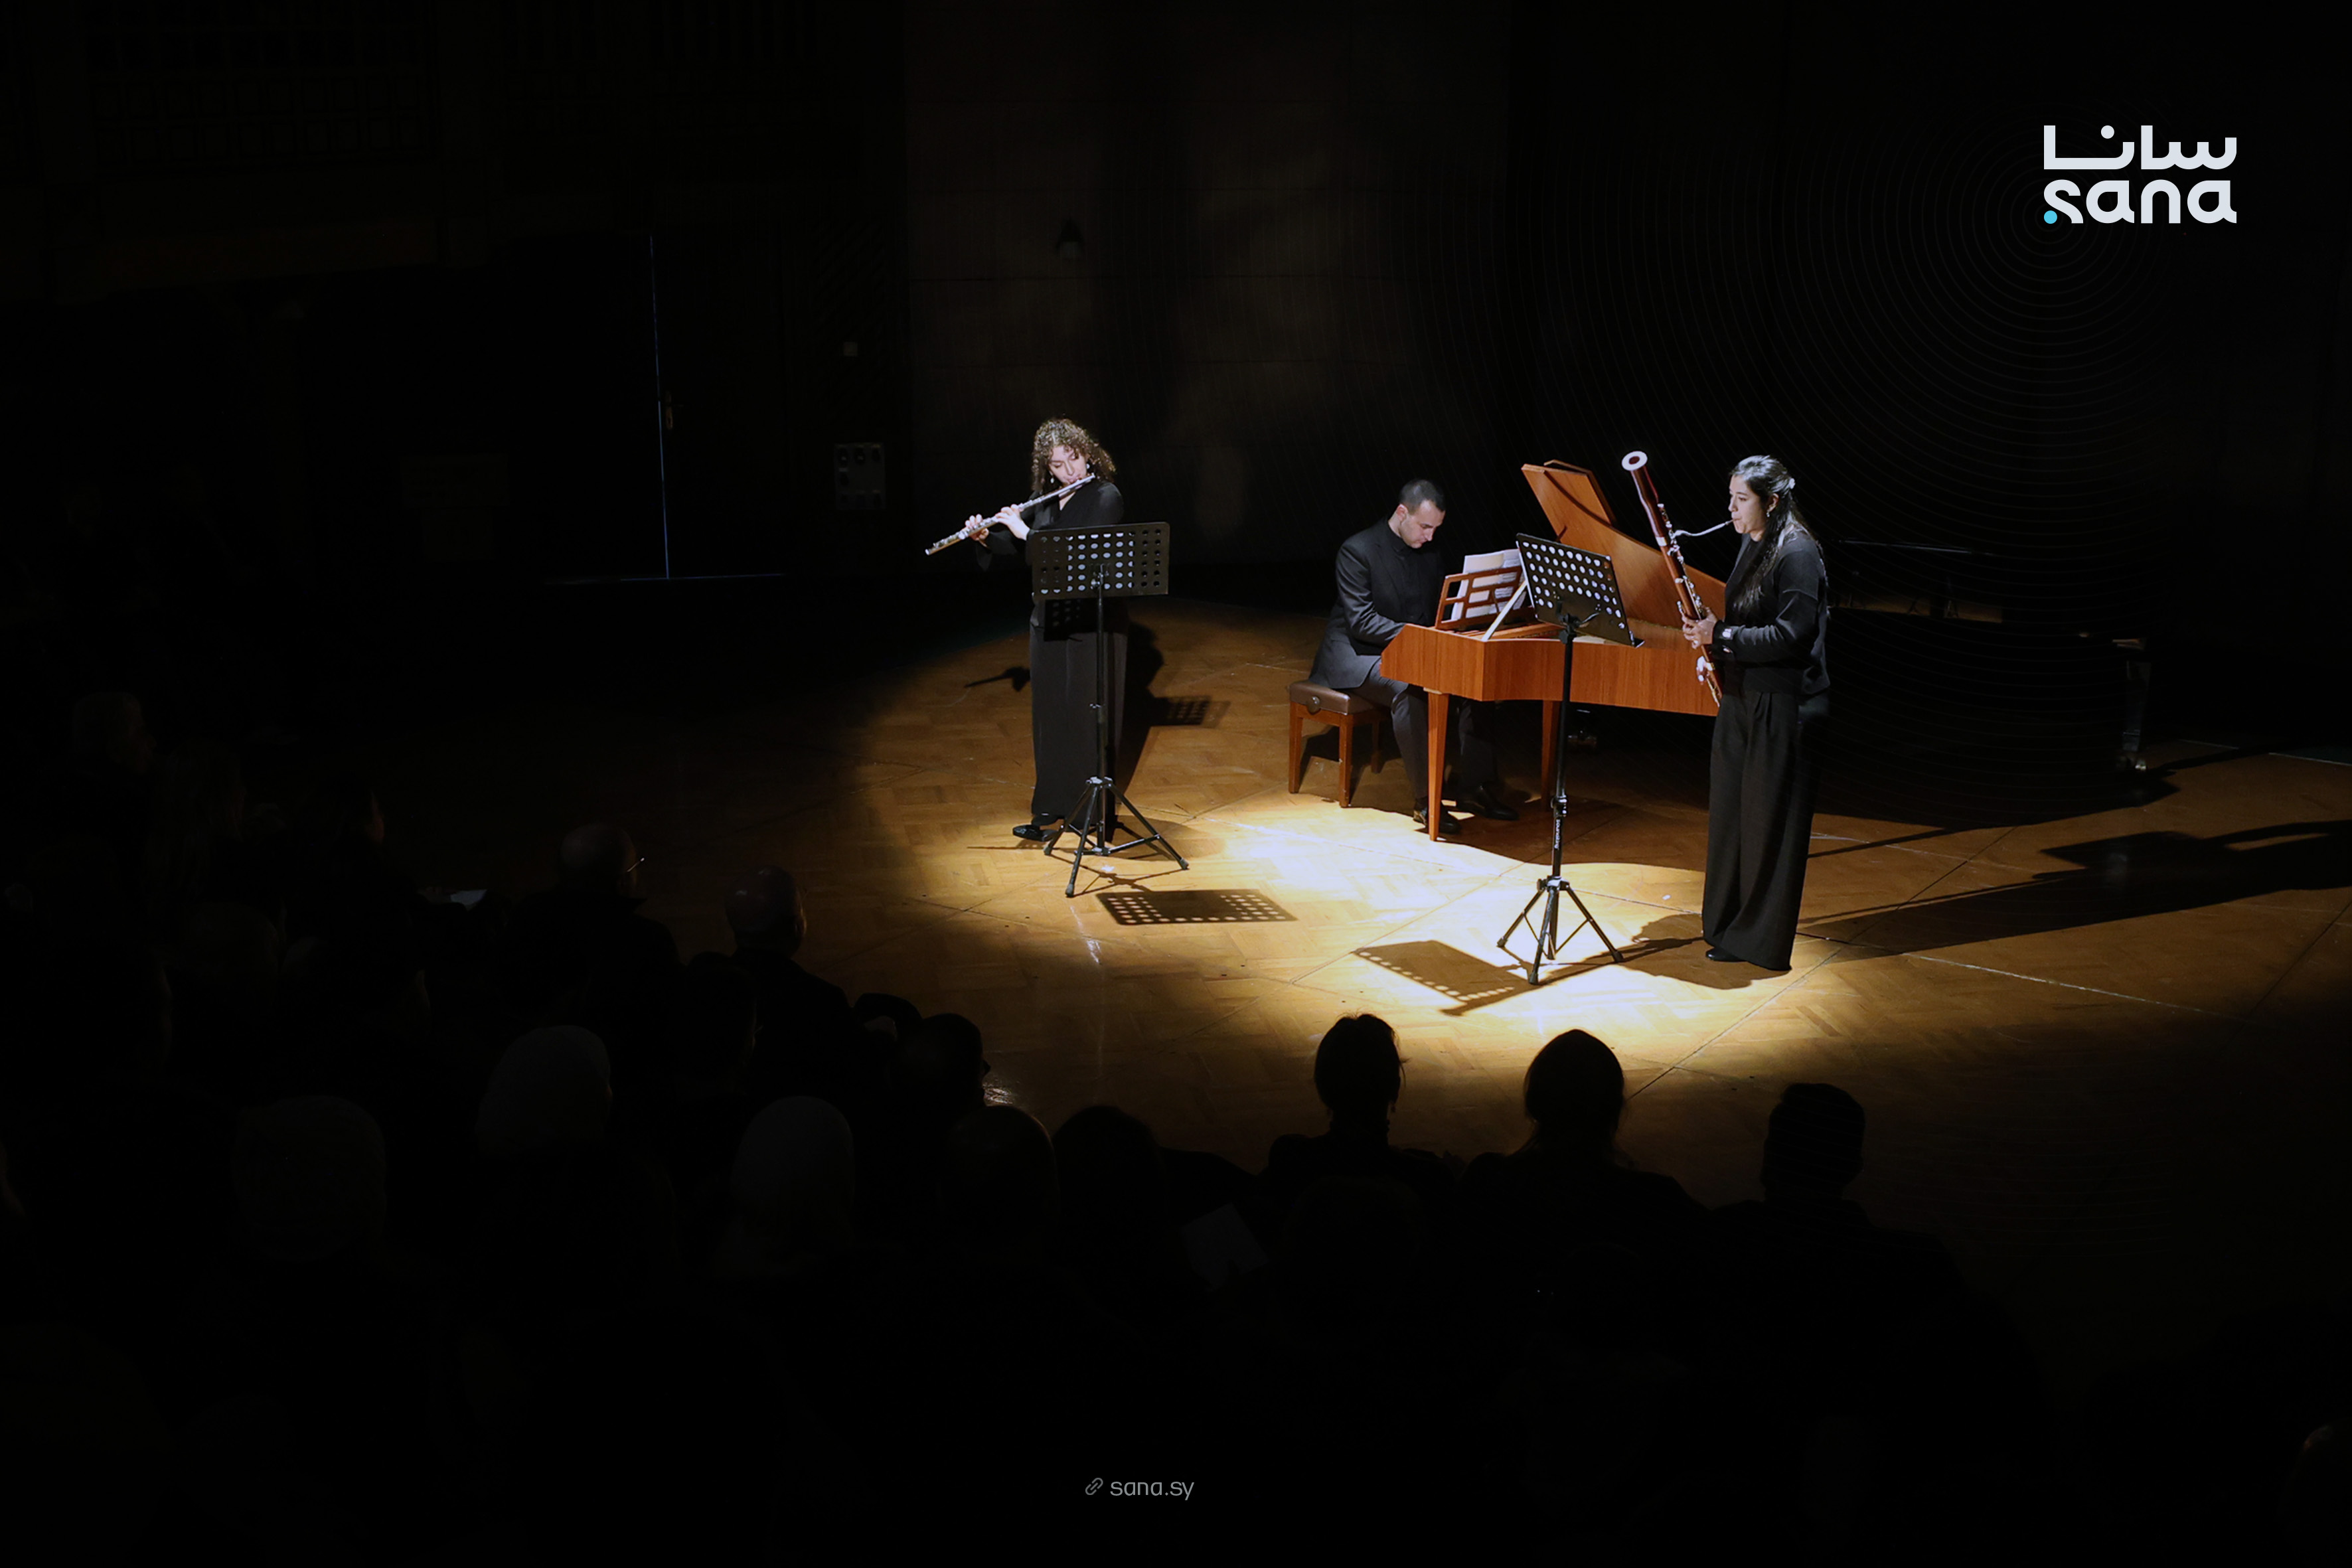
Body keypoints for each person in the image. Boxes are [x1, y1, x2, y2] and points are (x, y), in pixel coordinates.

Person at [1680, 455, 1830, 971]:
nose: (1730, 509)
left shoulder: (1798, 553)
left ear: (1771, 501)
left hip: (1784, 704)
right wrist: (1715, 643)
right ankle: (1727, 926)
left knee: (1768, 828)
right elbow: (1747, 620)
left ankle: (1759, 943)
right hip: (1744, 695)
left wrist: (1722, 637)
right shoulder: (1753, 541)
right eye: (1730, 498)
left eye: (1741, 500)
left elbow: (1791, 636)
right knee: (1732, 819)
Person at [957, 418, 1129, 842]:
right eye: (1057, 465)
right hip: (1048, 620)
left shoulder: (1106, 496)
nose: (1069, 472)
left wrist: (1025, 531)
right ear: (1046, 468)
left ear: (1087, 453)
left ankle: (1087, 815)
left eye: (1074, 459)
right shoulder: (1044, 499)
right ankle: (1051, 807)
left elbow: (1068, 551)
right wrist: (986, 537)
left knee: (1085, 717)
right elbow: (1018, 547)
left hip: (1090, 622)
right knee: (1050, 716)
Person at [1308, 480, 1512, 835]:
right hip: (1358, 654)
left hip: (1409, 648)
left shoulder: (1428, 552)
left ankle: (1475, 787)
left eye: (1436, 528)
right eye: (1425, 526)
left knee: (1473, 679)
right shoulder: (1357, 550)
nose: (1430, 536)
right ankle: (1426, 800)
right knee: (1409, 688)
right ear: (1402, 513)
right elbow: (1362, 622)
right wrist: (1421, 638)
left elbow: (1434, 611)